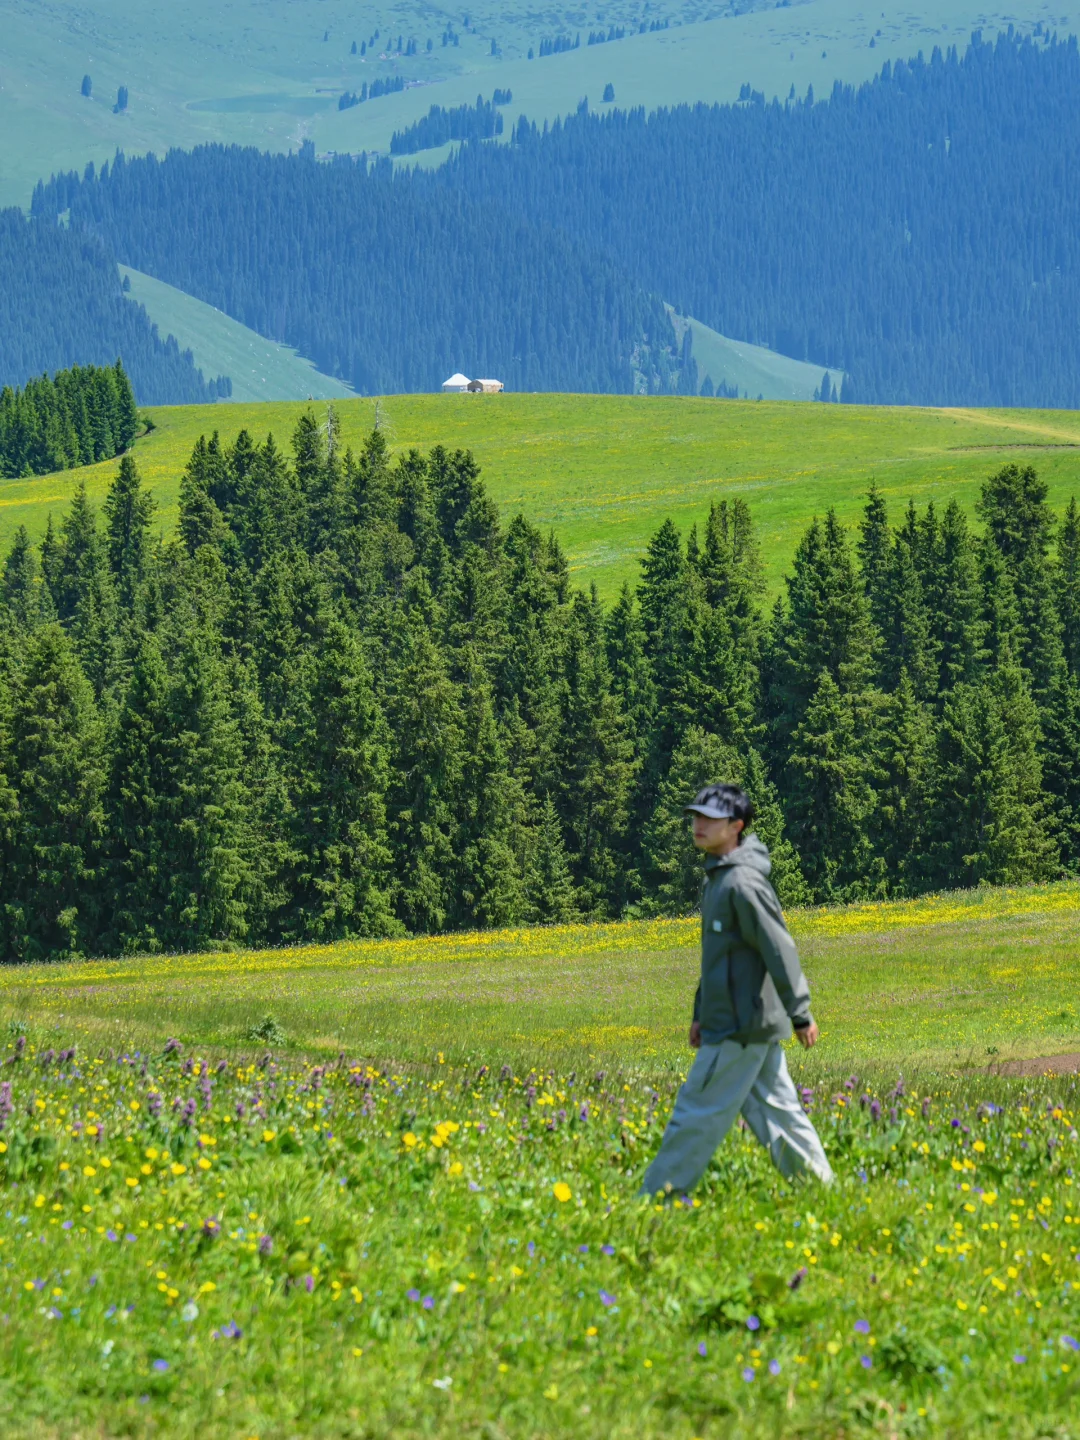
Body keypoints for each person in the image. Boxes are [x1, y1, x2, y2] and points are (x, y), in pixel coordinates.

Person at [641, 782, 833, 1195]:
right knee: (780, 1115)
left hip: (740, 1024)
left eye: (710, 819)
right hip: (739, 1021)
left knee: (697, 1109)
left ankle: (660, 1198)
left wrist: (800, 1013)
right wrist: (699, 1014)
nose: (698, 825)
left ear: (736, 826)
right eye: (696, 816)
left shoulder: (741, 884)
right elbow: (719, 957)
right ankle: (821, 1193)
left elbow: (778, 947)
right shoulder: (719, 880)